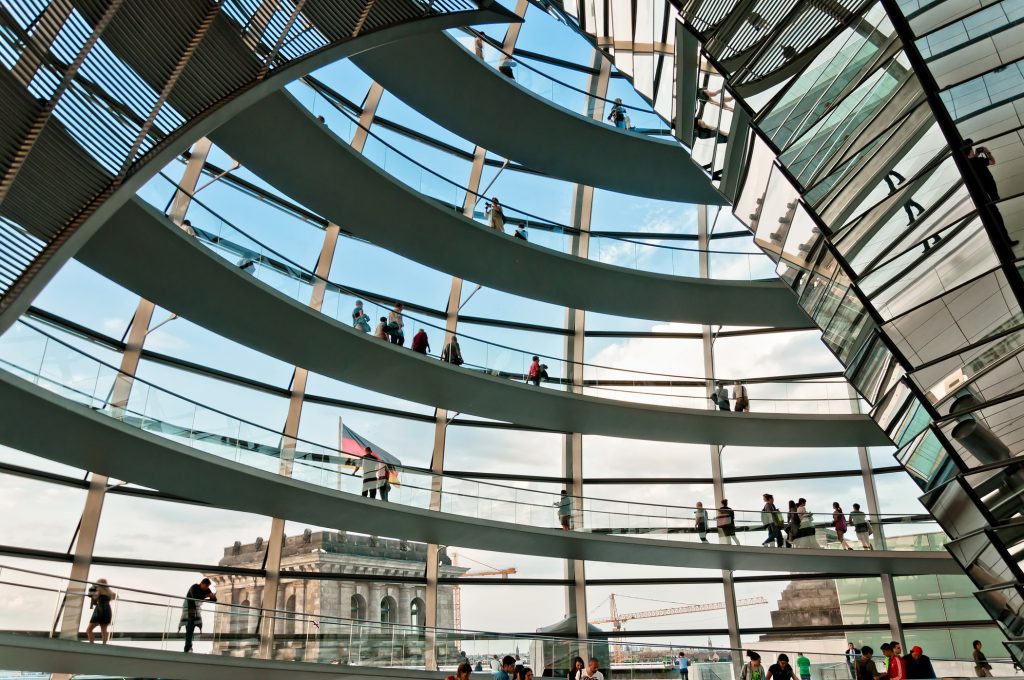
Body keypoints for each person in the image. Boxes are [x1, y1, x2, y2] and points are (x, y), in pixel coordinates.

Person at [963, 139, 1017, 247]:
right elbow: (993, 161)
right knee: (997, 218)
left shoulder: (966, 164)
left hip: (978, 195)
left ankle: (1000, 243)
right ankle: (1007, 242)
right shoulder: (979, 161)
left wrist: (976, 155)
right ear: (970, 149)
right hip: (988, 193)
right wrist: (987, 152)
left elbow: (972, 162)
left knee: (990, 220)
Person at [179, 577, 216, 652]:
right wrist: (206, 596)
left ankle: (189, 646)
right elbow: (195, 597)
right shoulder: (194, 587)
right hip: (189, 607)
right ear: (201, 584)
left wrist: (212, 597)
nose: (206, 588)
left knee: (191, 627)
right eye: (205, 586)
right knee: (190, 627)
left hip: (196, 609)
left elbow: (214, 600)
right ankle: (188, 647)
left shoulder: (207, 590)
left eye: (207, 587)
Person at [85, 578, 115, 643]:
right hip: (107, 610)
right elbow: (116, 596)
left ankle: (91, 644)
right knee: (104, 630)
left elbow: (94, 597)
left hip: (100, 610)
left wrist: (92, 589)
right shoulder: (109, 592)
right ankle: (104, 645)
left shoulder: (99, 589)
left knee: (89, 630)